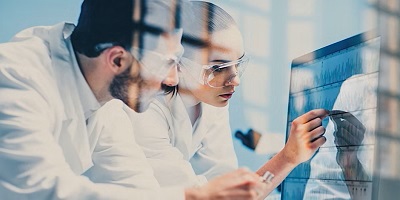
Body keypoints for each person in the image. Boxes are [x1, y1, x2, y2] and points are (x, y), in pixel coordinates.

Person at [0, 0, 268, 199]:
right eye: (167, 63)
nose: (173, 80)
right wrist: (196, 195)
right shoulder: (15, 77)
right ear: (117, 59)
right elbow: (42, 188)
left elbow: (137, 187)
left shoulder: (106, 102)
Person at [131, 1, 329, 197]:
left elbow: (229, 190)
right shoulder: (145, 111)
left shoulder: (212, 103)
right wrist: (288, 157)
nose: (235, 81)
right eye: (218, 68)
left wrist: (289, 157)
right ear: (176, 62)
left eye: (238, 64)